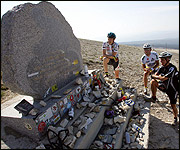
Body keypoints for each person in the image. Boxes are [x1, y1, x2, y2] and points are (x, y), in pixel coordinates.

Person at [146, 51, 179, 125]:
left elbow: (164, 78)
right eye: (160, 60)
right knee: (153, 82)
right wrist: (159, 77)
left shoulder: (172, 68)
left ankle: (175, 118)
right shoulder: (161, 67)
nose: (161, 61)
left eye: (162, 60)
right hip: (164, 86)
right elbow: (154, 75)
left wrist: (159, 77)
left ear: (168, 60)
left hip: (172, 89)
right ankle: (153, 98)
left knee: (173, 105)